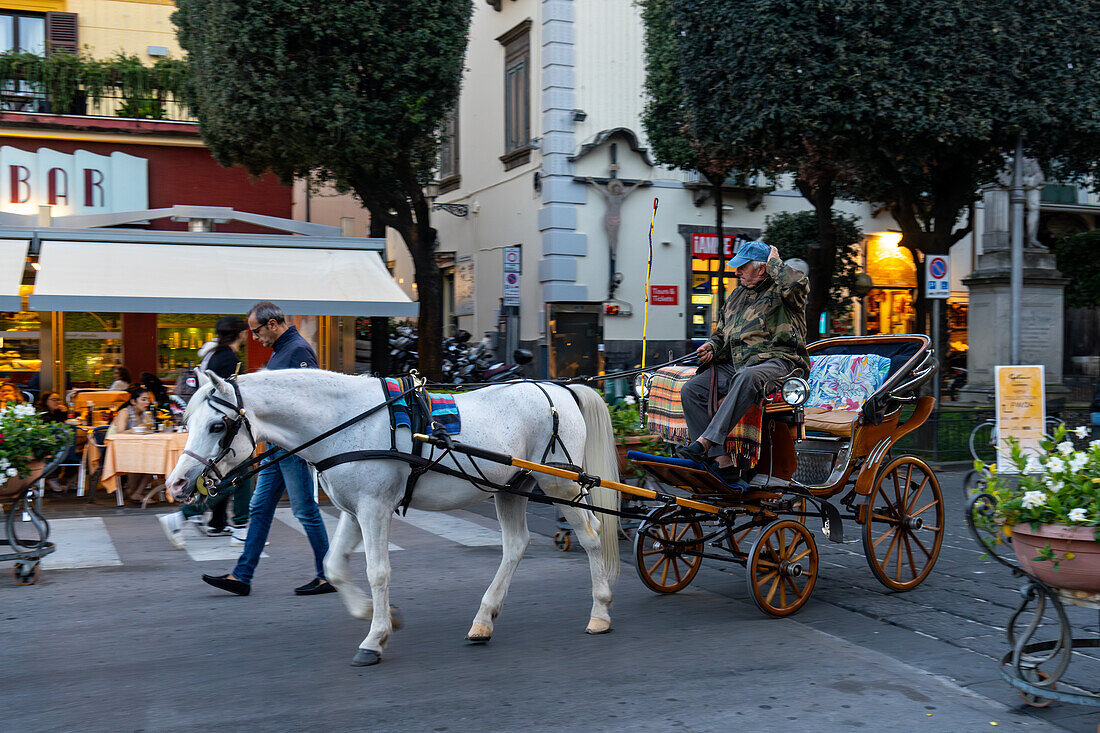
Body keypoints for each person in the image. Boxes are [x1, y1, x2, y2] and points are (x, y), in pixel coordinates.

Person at [201, 302, 333, 597]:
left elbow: (310, 401)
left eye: (256, 330)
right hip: (277, 447)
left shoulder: (298, 350)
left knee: (305, 511)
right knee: (260, 509)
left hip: (292, 447)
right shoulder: (280, 352)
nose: (253, 337)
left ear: (272, 324)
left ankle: (329, 574)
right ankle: (242, 576)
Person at [678, 241, 809, 481]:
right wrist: (712, 347)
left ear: (761, 269)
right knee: (691, 389)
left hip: (779, 362)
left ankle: (706, 442)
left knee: (747, 376)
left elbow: (796, 285)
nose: (736, 272)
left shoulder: (784, 291)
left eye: (742, 267)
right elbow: (721, 333)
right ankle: (722, 461)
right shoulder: (736, 295)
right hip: (737, 363)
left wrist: (775, 263)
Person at [160, 316, 253, 545]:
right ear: (241, 333)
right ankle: (194, 517)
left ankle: (218, 524)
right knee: (241, 473)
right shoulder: (228, 357)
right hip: (224, 427)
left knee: (229, 474)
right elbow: (228, 394)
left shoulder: (213, 354)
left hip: (214, 425)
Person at [107, 385, 158, 504]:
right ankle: (132, 491)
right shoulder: (124, 412)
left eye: (148, 399)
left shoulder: (145, 415)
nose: (147, 402)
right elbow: (119, 433)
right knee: (139, 460)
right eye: (143, 399)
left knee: (155, 460)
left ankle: (135, 492)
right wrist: (136, 429)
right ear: (133, 401)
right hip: (114, 450)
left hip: (135, 450)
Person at [35, 392, 73, 492]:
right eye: (54, 399)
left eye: (58, 399)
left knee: (78, 448)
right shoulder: (43, 414)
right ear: (45, 401)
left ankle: (67, 477)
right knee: (73, 447)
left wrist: (63, 412)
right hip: (47, 444)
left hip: (58, 442)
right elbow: (54, 426)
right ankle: (52, 477)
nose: (57, 402)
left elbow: (62, 422)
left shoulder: (55, 412)